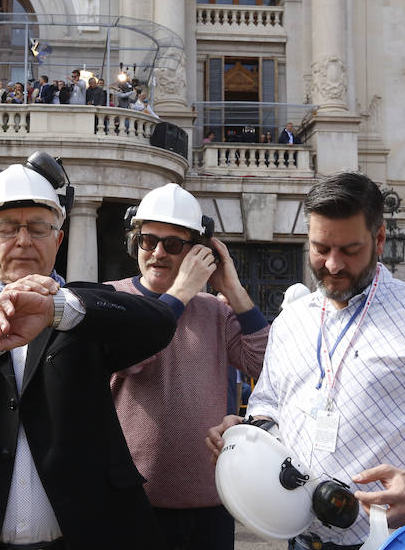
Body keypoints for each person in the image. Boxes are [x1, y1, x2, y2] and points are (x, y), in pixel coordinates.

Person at [0, 152, 179, 550]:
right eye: (7, 227)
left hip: (85, 535)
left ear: (58, 238)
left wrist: (58, 308)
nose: (23, 240)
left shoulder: (84, 306)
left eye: (39, 227)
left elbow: (158, 324)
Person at [205, 172, 405, 550]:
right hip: (302, 541)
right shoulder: (291, 322)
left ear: (379, 240)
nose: (332, 265)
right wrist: (248, 433)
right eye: (320, 248)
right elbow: (269, 407)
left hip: (397, 542)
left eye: (349, 250)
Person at [108, 183, 268, 550]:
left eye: (173, 244)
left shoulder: (214, 310)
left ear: (197, 252)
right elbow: (129, 354)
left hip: (210, 504)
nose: (158, 253)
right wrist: (179, 294)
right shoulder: (112, 296)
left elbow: (261, 362)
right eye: (149, 240)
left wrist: (231, 286)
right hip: (132, 501)